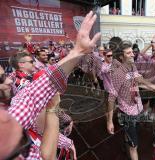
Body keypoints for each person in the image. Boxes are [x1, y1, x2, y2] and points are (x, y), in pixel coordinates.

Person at [0, 11, 101, 159]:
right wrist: (64, 125)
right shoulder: (21, 82)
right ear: (21, 64)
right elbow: (40, 121)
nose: (37, 61)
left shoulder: (9, 116)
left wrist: (78, 51)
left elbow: (38, 93)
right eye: (1, 79)